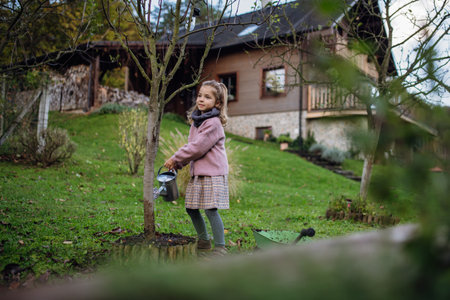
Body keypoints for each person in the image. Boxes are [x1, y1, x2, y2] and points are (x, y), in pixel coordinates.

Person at [164, 80, 229, 256]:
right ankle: (203, 241)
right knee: (191, 208)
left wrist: (175, 158)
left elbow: (197, 148)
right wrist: (179, 164)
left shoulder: (213, 123)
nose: (201, 99)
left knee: (210, 209)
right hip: (200, 173)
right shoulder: (198, 121)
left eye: (207, 97)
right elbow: (193, 148)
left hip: (212, 174)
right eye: (200, 95)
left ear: (217, 103)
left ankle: (220, 247)